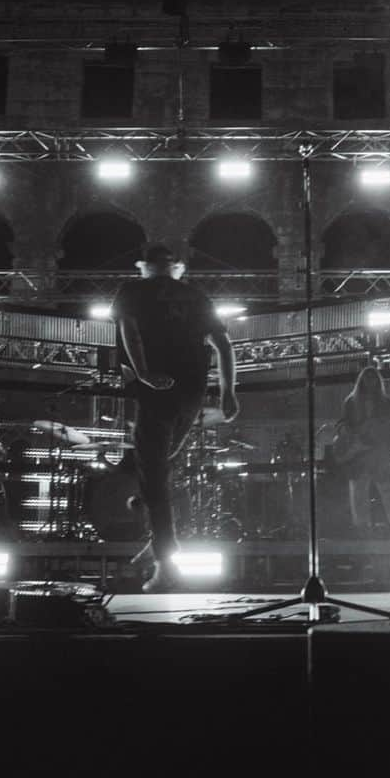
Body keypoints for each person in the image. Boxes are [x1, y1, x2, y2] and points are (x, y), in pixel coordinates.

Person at [111, 243, 238, 591]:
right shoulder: (195, 295)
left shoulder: (132, 290)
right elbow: (224, 346)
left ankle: (166, 560)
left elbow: (129, 332)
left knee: (154, 473)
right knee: (159, 465)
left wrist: (144, 372)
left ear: (143, 266)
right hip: (192, 393)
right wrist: (228, 392)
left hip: (157, 390)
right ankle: (155, 536)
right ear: (177, 268)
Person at [338, 365, 390, 537]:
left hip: (380, 458)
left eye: (373, 379)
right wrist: (350, 434)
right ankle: (363, 534)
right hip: (360, 458)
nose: (370, 383)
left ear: (378, 382)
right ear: (362, 381)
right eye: (367, 379)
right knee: (359, 498)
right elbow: (341, 425)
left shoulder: (388, 404)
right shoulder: (351, 403)